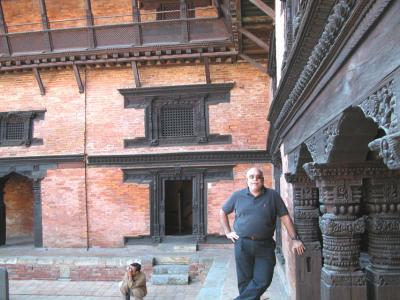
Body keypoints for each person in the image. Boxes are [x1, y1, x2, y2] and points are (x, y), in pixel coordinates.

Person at [219, 167, 305, 300]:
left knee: (264, 279)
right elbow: (223, 212)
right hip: (242, 243)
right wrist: (227, 232)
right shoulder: (237, 196)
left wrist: (295, 239)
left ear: (263, 180)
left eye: (258, 177)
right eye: (252, 177)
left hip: (265, 245)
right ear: (246, 180)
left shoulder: (273, 196)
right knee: (244, 282)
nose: (255, 179)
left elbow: (285, 217)